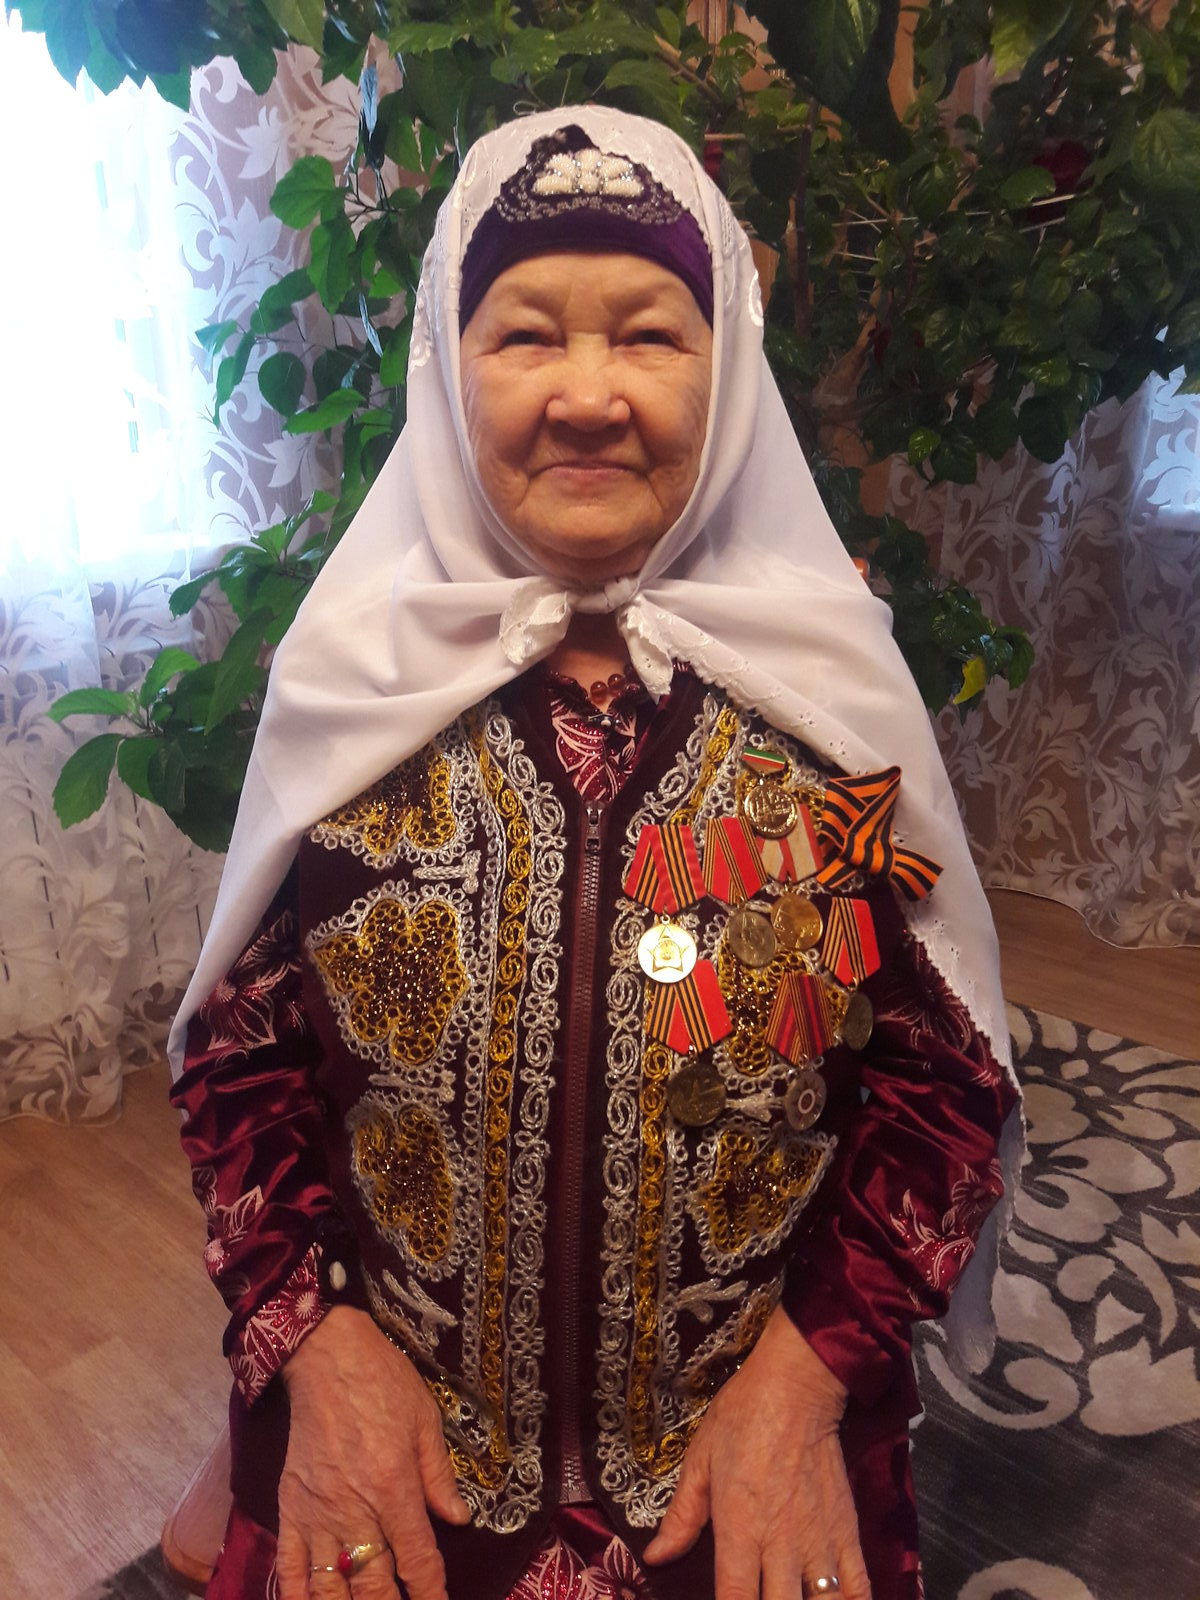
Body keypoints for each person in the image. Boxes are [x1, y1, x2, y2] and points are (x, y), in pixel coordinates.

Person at [168, 107, 1022, 1600]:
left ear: (726, 370)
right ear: (449, 367)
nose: (585, 397)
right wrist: (316, 1346)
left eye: (647, 335)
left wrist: (808, 1384)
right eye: (523, 337)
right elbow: (238, 1065)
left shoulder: (828, 708)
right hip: (395, 1470)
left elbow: (941, 1079)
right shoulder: (355, 687)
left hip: (740, 1483)